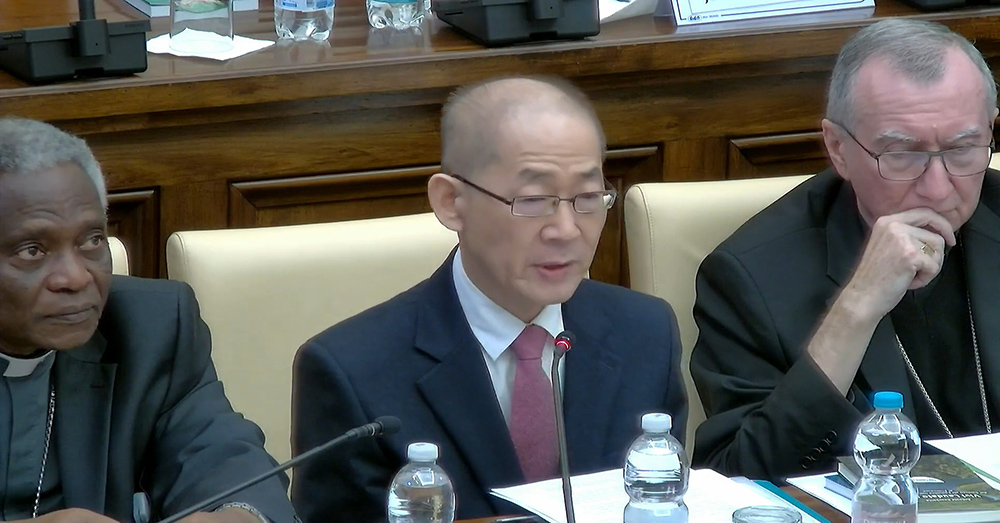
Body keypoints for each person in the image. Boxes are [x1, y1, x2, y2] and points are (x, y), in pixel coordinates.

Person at [291, 76, 687, 522]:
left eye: (588, 197)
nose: (566, 230)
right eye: (534, 200)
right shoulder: (352, 371)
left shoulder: (646, 334)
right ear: (451, 202)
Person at [690, 18, 1000, 481]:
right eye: (902, 155)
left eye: (963, 149)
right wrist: (856, 309)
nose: (937, 188)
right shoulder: (750, 276)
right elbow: (740, 474)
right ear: (837, 148)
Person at [0, 117, 298, 523]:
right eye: (32, 250)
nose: (76, 277)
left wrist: (240, 515)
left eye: (92, 241)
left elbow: (226, 458)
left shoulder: (150, 326)